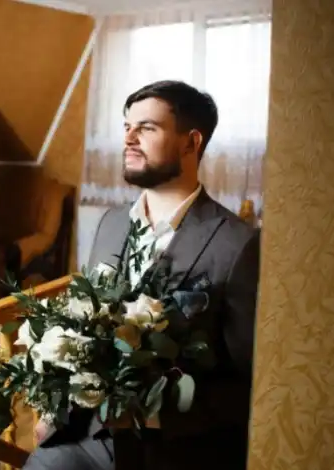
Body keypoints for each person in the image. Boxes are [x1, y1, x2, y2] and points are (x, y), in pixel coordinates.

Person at [25, 80, 261, 469]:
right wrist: (55, 406)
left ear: (191, 142)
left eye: (147, 128)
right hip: (86, 437)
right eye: (126, 127)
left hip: (174, 452)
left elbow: (250, 386)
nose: (129, 139)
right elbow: (82, 328)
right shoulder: (111, 223)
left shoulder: (238, 245)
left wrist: (150, 415)